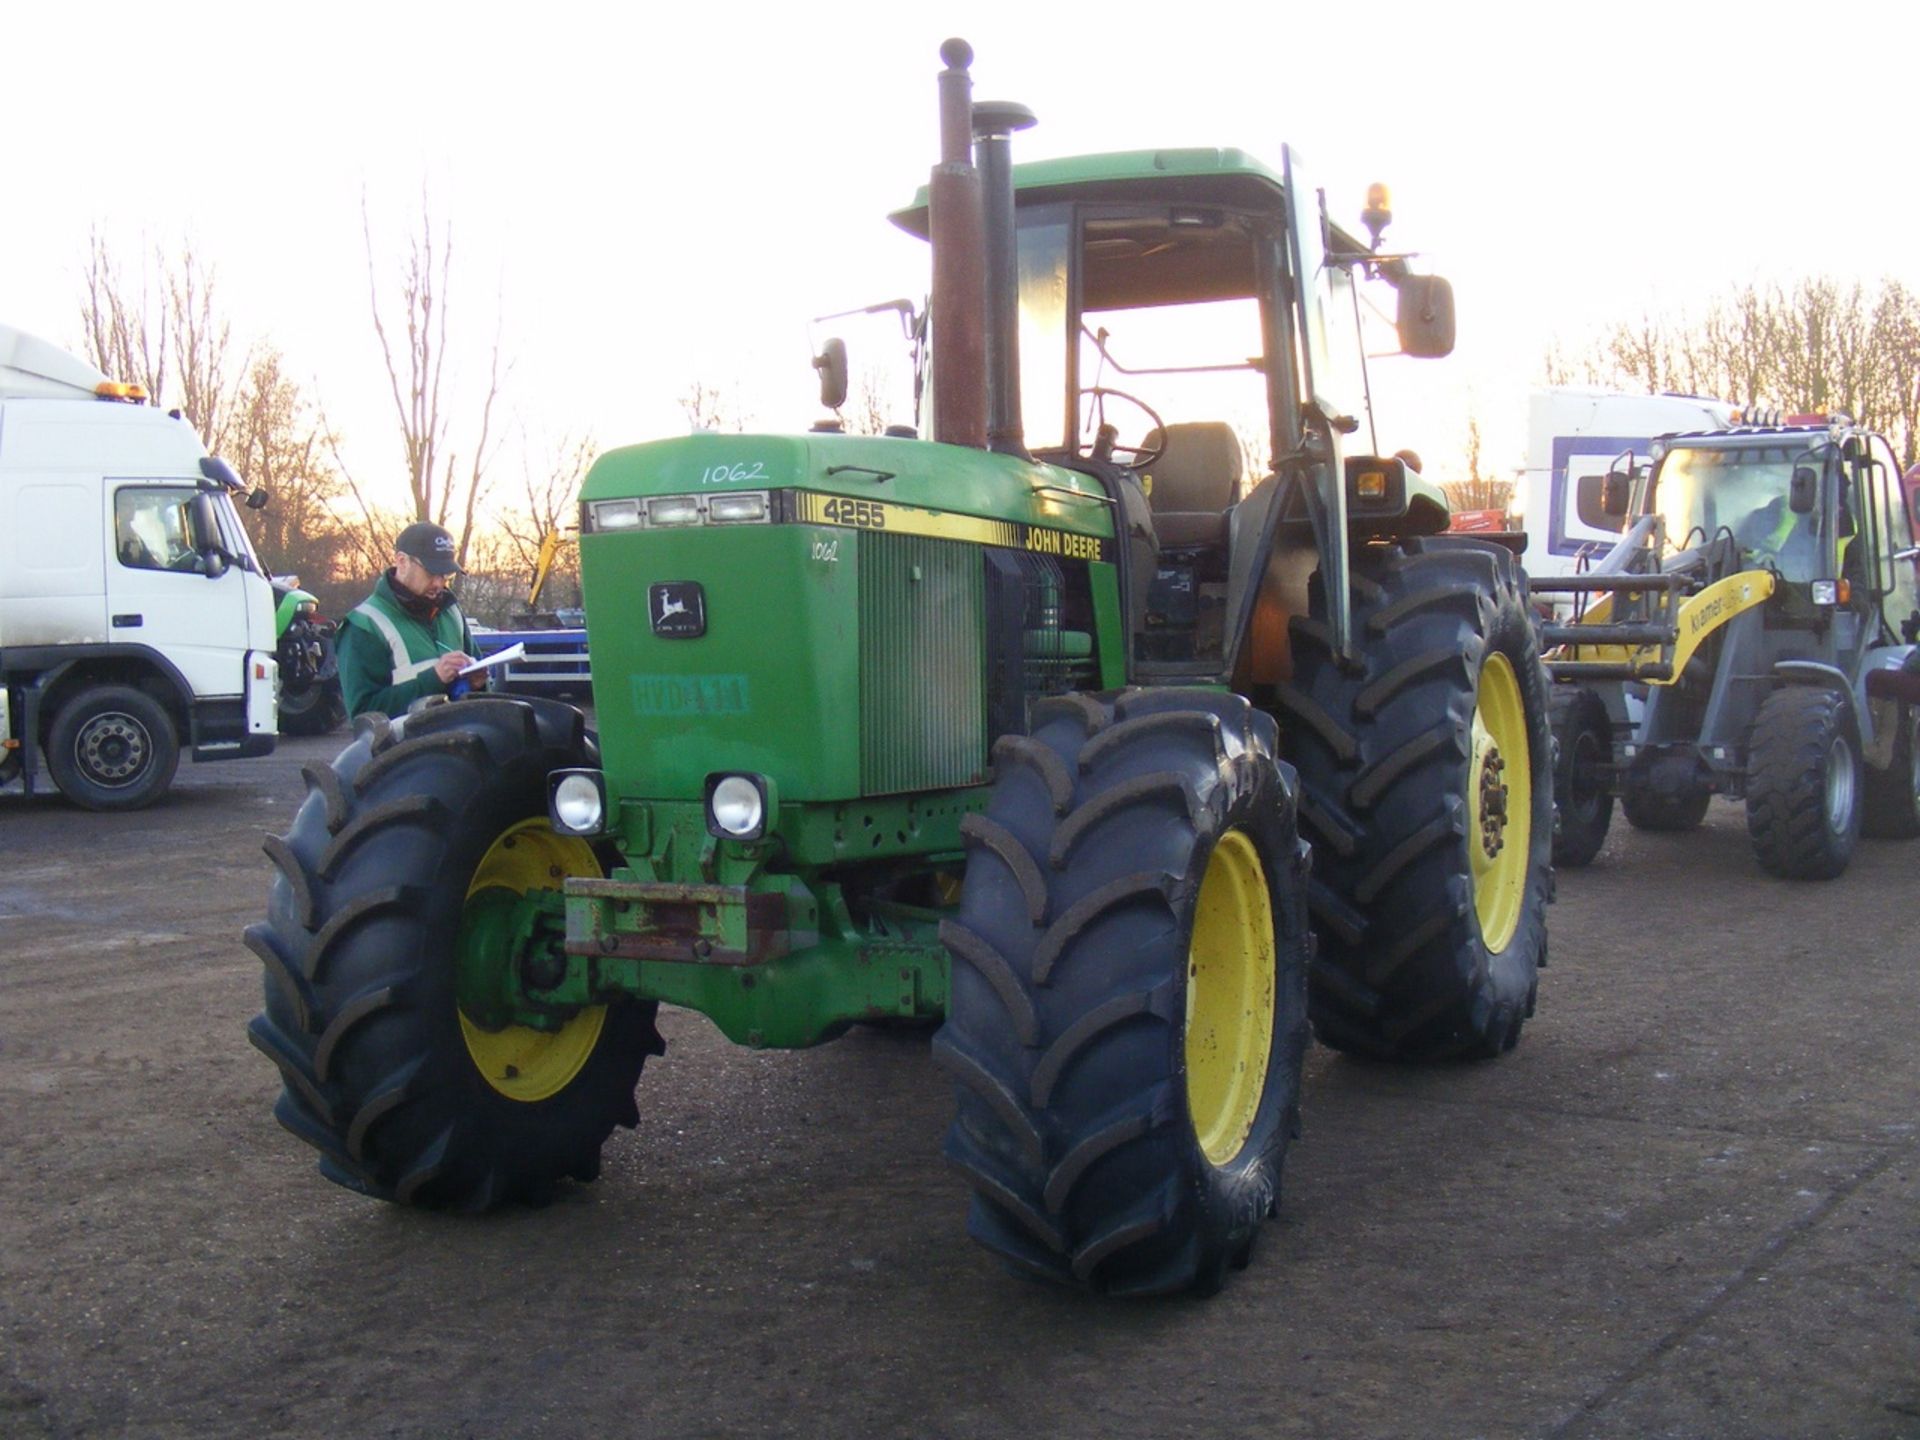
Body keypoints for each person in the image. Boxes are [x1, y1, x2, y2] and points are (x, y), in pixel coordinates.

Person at [336, 521, 488, 719]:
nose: (439, 583)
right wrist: (433, 679)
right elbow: (363, 713)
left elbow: (475, 691)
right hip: (405, 748)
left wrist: (479, 684)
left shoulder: (451, 612)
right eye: (431, 572)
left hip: (460, 741)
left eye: (444, 574)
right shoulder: (364, 624)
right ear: (401, 561)